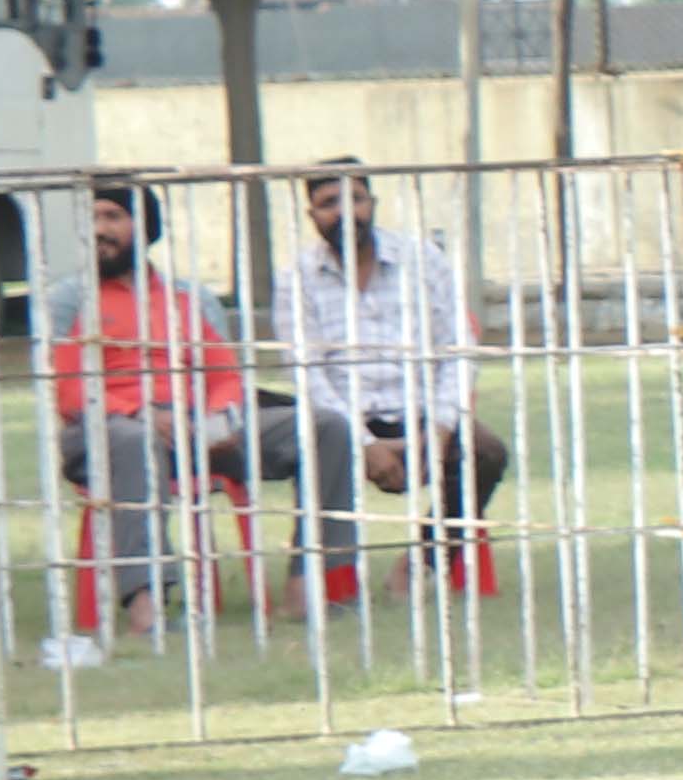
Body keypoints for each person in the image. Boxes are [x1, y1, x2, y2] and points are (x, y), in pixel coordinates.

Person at [253, 162, 509, 587]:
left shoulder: (421, 259)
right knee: (316, 440)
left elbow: (458, 349)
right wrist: (365, 443)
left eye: (354, 199)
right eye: (328, 203)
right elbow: (306, 372)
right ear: (311, 215)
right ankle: (321, 582)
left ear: (372, 203)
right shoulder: (295, 278)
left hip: (420, 411)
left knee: (486, 453)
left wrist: (440, 428)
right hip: (342, 418)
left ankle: (421, 566)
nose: (344, 212)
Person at [45, 181, 248, 640]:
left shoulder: (187, 298)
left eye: (112, 217)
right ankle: (145, 606)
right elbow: (70, 389)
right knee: (135, 442)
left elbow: (225, 375)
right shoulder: (73, 299)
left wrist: (216, 419)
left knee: (321, 428)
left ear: (145, 227)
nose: (100, 230)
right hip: (104, 427)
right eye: (92, 218)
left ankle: (318, 590)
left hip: (190, 425)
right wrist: (141, 413)